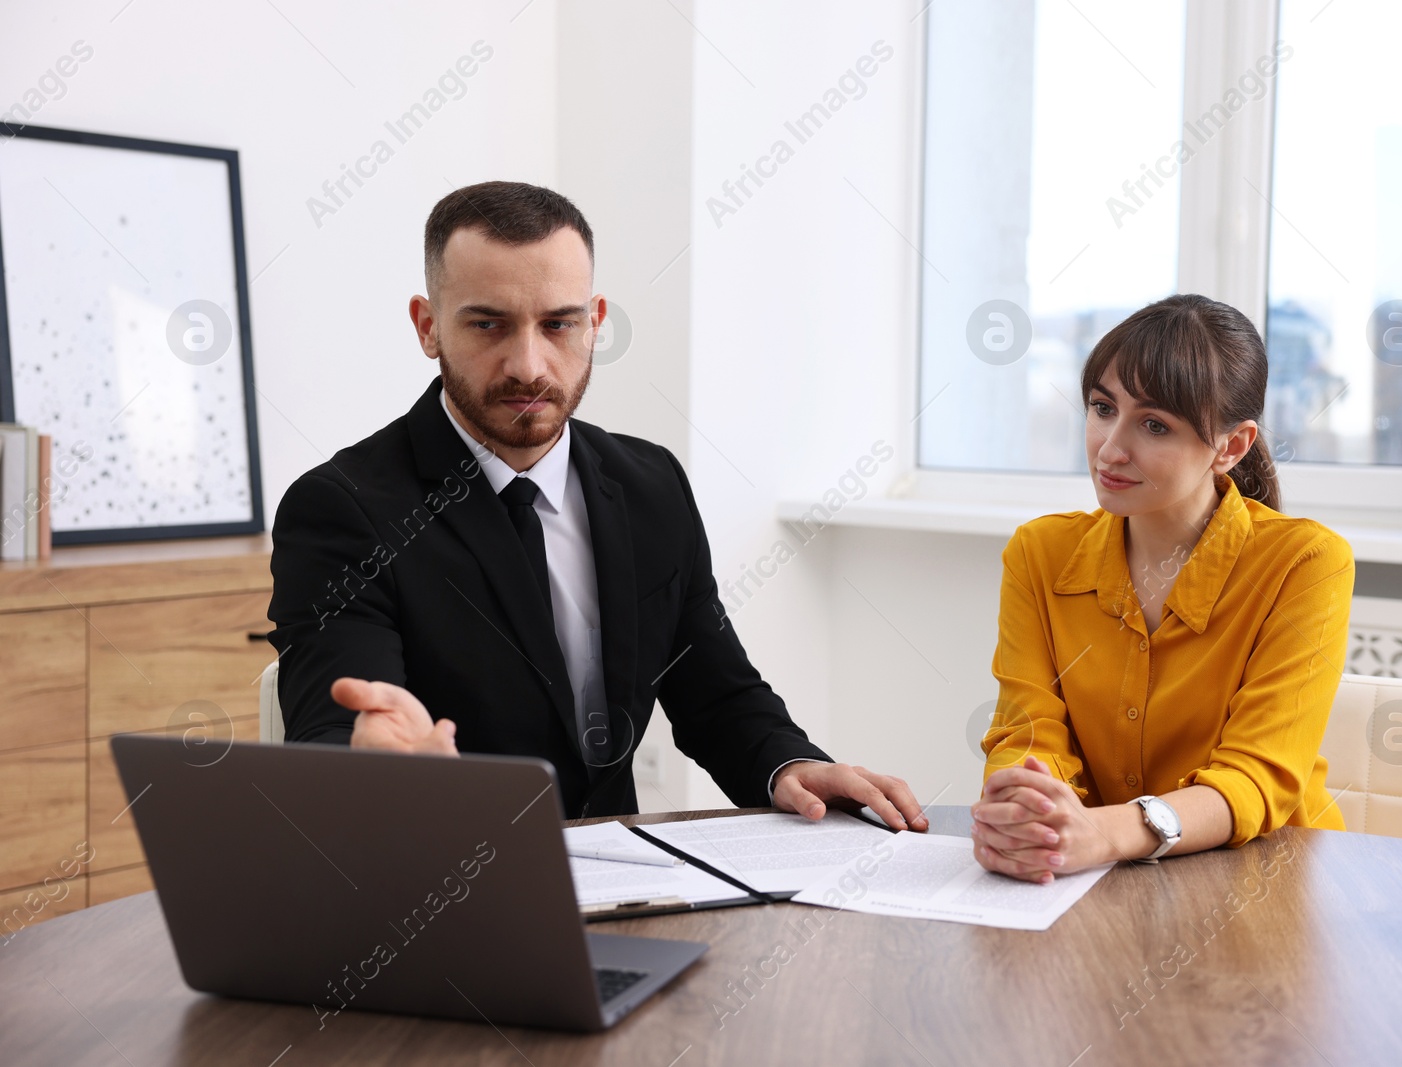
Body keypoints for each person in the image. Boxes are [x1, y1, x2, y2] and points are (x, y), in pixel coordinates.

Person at [267, 181, 927, 829]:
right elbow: (331, 728)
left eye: (559, 323)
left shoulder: (650, 483)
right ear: (427, 325)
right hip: (445, 895)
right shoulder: (341, 509)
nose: (528, 364)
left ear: (596, 322)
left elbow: (717, 695)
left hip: (628, 893)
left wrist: (788, 763)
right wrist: (379, 767)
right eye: (488, 324)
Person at [971, 294, 1352, 882]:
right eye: (1103, 407)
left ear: (1232, 446)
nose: (1111, 447)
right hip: (1086, 883)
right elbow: (1028, 732)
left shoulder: (1305, 563)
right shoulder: (1039, 554)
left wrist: (1103, 832)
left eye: (1155, 425)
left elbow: (1255, 776)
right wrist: (1033, 807)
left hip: (1263, 886)